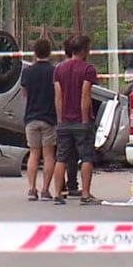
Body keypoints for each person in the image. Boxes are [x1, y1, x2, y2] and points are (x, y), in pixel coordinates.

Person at [52, 35, 102, 206]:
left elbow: (58, 97)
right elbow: (85, 95)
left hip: (63, 121)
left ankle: (58, 193)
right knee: (87, 156)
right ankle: (85, 194)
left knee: (61, 157)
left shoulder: (59, 69)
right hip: (81, 120)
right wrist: (84, 118)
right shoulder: (88, 69)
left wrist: (60, 118)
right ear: (84, 50)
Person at [21, 38, 57, 201]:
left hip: (31, 117)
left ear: (34, 53)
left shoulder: (27, 72)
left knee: (34, 153)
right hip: (49, 117)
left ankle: (31, 188)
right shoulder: (54, 71)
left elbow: (24, 93)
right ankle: (45, 190)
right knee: (48, 155)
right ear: (49, 53)